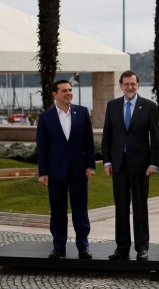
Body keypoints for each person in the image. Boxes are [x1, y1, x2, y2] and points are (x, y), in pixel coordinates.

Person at [102, 70, 159, 261]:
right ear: (121, 85)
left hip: (141, 166)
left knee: (140, 208)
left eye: (133, 84)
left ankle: (142, 247)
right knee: (121, 208)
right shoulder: (112, 106)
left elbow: (156, 138)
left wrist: (153, 163)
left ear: (138, 84)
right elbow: (107, 136)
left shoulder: (149, 106)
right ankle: (122, 248)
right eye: (126, 84)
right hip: (118, 165)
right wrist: (107, 161)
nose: (130, 87)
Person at [36, 80, 96, 260]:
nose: (69, 93)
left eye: (70, 90)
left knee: (80, 209)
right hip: (55, 171)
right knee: (57, 210)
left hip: (78, 170)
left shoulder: (82, 112)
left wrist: (90, 165)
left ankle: (83, 245)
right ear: (55, 94)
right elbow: (42, 147)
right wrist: (43, 172)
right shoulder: (45, 117)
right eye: (64, 91)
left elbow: (89, 142)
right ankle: (58, 247)